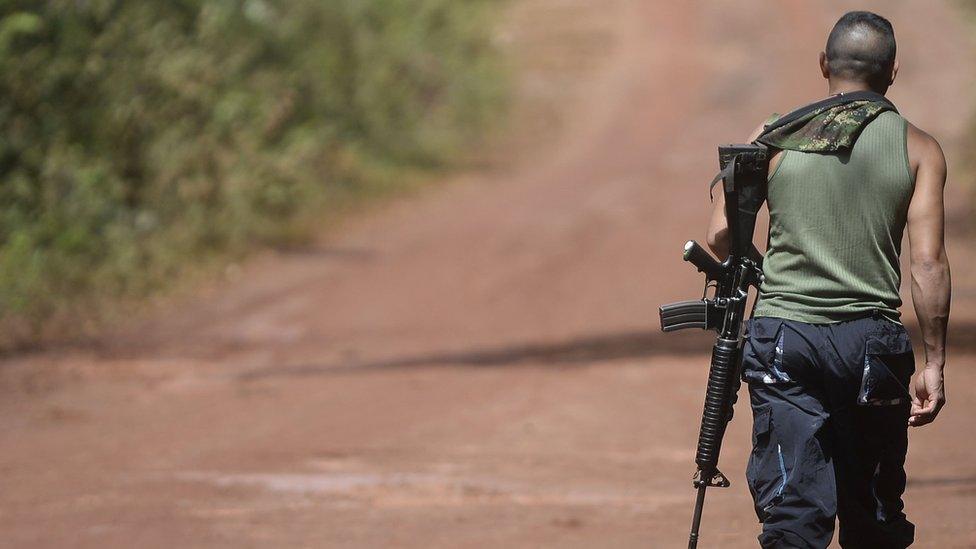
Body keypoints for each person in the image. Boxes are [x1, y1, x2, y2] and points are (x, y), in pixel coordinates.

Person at [704, 11, 951, 549]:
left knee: (792, 516)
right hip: (871, 346)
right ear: (892, 72)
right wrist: (933, 362)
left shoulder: (774, 136)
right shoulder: (920, 149)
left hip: (783, 342)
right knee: (873, 518)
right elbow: (927, 263)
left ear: (824, 66)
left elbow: (720, 239)